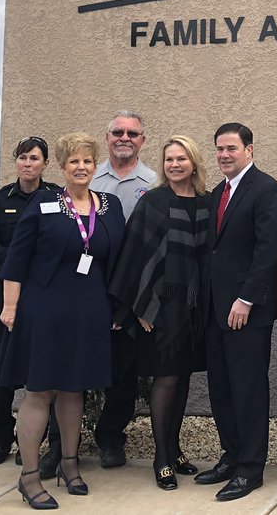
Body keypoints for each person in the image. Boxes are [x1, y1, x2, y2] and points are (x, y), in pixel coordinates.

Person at [0, 131, 126, 510]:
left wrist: (118, 308)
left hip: (90, 310)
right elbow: (16, 262)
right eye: (74, 162)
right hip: (46, 309)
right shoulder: (43, 204)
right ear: (63, 167)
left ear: (95, 165)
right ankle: (30, 476)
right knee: (41, 390)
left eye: (87, 161)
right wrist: (10, 308)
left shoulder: (110, 206)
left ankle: (70, 464)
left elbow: (117, 260)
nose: (81, 167)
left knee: (75, 388)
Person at [109, 135, 211, 490]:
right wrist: (139, 307)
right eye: (169, 159)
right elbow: (134, 256)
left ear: (194, 162)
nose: (175, 165)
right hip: (158, 309)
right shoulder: (153, 201)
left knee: (182, 378)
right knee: (166, 378)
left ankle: (176, 447)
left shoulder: (207, 203)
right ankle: (162, 457)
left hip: (194, 310)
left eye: (182, 158)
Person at [195, 123, 277, 502]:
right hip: (216, 310)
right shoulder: (219, 192)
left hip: (246, 311)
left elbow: (268, 251)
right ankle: (231, 456)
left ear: (249, 150)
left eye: (231, 148)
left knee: (248, 390)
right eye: (219, 149)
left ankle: (251, 468)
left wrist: (246, 299)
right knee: (221, 388)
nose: (224, 155)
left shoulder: (266, 190)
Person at [77, 110, 156, 470]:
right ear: (107, 137)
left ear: (142, 140)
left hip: (132, 290)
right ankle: (62, 440)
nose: (125, 138)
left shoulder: (154, 181)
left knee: (123, 372)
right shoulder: (89, 178)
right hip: (89, 284)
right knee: (76, 364)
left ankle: (111, 437)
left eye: (132, 133)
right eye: (117, 132)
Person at [0, 136, 60, 467]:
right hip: (1, 293)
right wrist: (21, 256)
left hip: (42, 293)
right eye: (23, 158)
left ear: (45, 164)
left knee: (45, 367)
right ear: (16, 162)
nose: (28, 164)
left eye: (35, 158)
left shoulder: (56, 198)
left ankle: (46, 441)